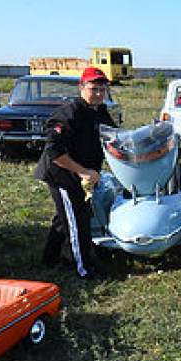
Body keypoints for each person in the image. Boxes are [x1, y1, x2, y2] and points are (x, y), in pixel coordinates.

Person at [35, 67, 117, 279]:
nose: (99, 93)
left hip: (83, 174)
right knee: (78, 221)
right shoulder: (67, 115)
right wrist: (83, 172)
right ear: (81, 88)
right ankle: (84, 269)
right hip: (63, 175)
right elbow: (54, 152)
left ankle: (49, 258)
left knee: (65, 217)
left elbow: (114, 135)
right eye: (94, 89)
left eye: (102, 89)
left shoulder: (100, 111)